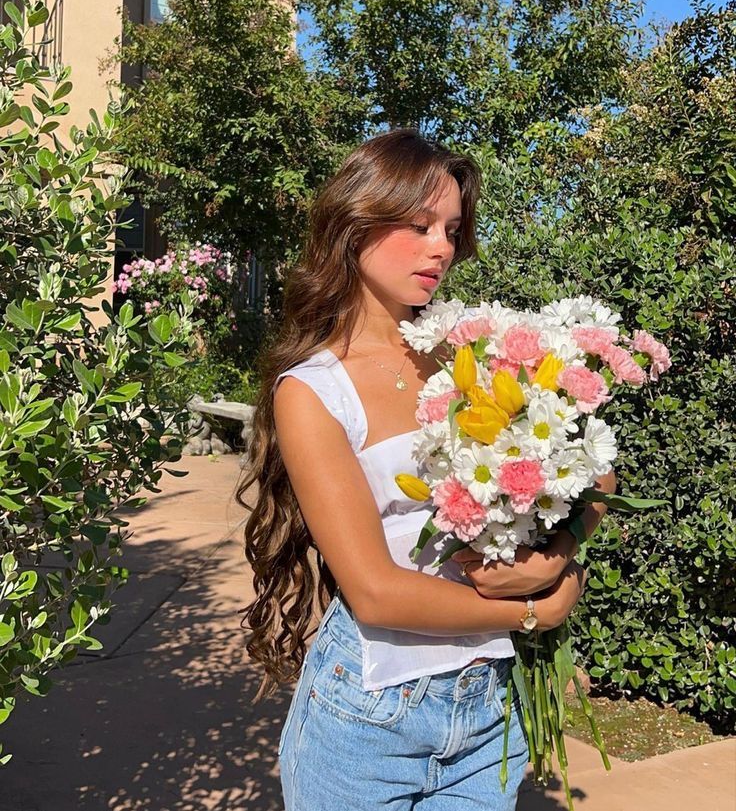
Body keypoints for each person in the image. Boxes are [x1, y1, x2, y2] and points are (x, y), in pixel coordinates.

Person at [237, 128, 614, 810]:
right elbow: (378, 591)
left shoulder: (470, 353)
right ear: (356, 225)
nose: (442, 246)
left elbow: (597, 478)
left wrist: (561, 559)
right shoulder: (315, 391)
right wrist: (531, 609)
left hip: (491, 713)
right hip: (369, 721)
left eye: (451, 228)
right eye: (418, 225)